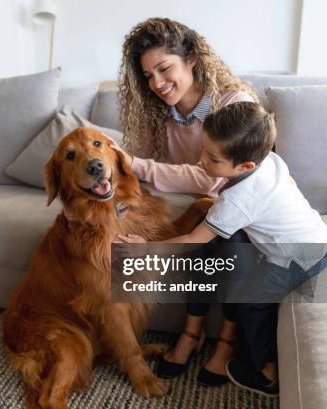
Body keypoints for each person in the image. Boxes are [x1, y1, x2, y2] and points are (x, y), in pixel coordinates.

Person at [117, 101, 327, 396]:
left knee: (251, 303)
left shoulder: (237, 202)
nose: (202, 161)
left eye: (213, 159)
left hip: (296, 257)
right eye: (203, 150)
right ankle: (197, 334)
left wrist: (146, 248)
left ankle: (267, 371)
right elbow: (288, 181)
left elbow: (194, 240)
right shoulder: (270, 160)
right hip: (317, 236)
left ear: (245, 167)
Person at [115, 17, 259, 386]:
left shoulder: (232, 104)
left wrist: (139, 166)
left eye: (164, 69)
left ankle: (224, 341)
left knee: (230, 237)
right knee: (199, 223)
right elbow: (138, 173)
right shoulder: (158, 112)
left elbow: (215, 176)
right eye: (148, 76)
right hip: (199, 209)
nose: (157, 84)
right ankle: (192, 334)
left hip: (242, 208)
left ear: (192, 59)